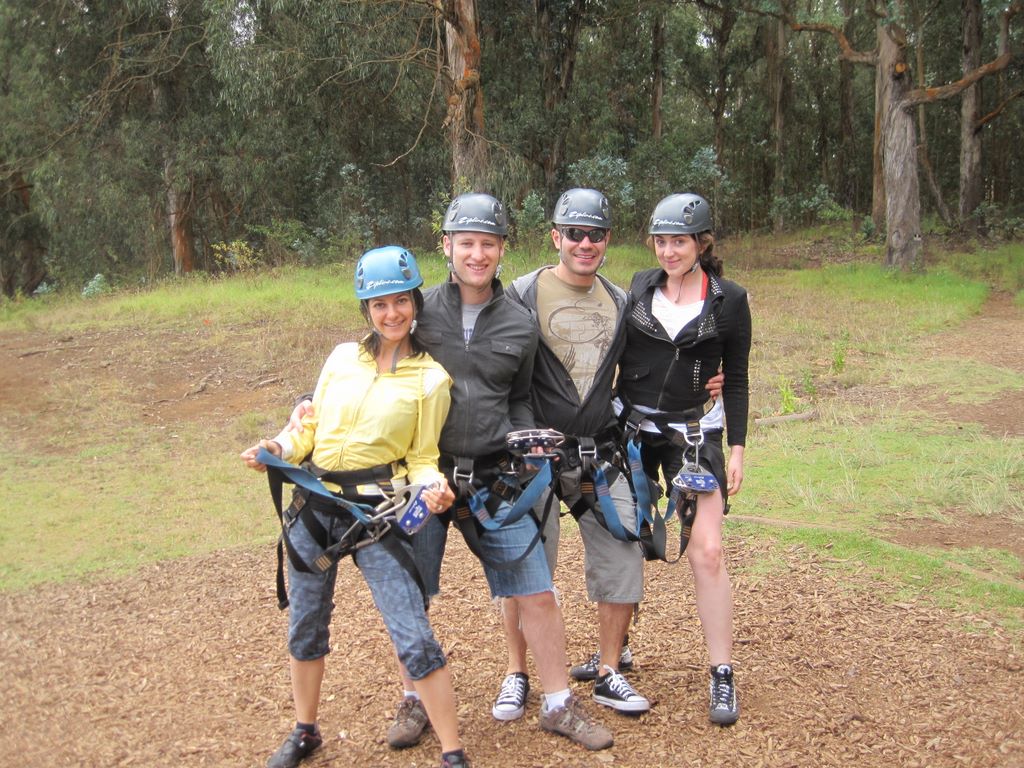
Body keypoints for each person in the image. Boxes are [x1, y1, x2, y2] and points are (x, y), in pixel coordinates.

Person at [287, 193, 614, 752]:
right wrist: (304, 403)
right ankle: (414, 698)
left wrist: (526, 441)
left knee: (536, 591)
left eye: (488, 244)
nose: (477, 254)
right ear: (447, 246)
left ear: (502, 248)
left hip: (496, 478)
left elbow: (518, 397)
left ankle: (559, 703)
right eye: (466, 243)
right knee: (412, 595)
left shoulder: (520, 322)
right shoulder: (419, 312)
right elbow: (367, 367)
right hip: (422, 478)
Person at [241, 246, 471, 768]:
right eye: (379, 304)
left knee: (412, 630)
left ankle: (453, 753)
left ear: (415, 303)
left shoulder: (431, 379)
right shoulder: (343, 358)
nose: (391, 314)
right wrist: (275, 448)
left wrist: (435, 488)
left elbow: (422, 458)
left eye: (400, 301)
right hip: (315, 506)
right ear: (365, 309)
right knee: (306, 623)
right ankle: (305, 731)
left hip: (376, 515)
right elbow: (308, 431)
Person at [503, 188, 652, 717]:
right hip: (535, 458)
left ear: (608, 239)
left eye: (595, 234)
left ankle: (610, 670)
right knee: (522, 564)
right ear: (556, 237)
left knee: (623, 553)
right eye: (574, 233)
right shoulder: (521, 294)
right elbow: (486, 359)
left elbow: (651, 364)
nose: (585, 243)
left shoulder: (620, 300)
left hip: (598, 451)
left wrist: (706, 382)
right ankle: (517, 672)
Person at [616, 192, 751, 725]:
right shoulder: (639, 287)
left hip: (695, 434)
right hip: (633, 430)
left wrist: (737, 449)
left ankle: (722, 672)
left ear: (702, 243)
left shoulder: (729, 300)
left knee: (708, 551)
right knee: (625, 538)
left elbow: (736, 378)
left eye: (679, 242)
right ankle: (615, 650)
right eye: (661, 241)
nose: (669, 251)